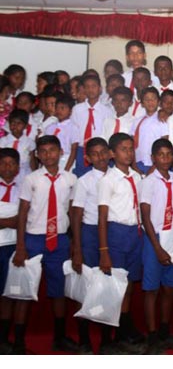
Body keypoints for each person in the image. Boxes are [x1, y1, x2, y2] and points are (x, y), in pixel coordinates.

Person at [12, 135, 78, 355]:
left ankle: (59, 338)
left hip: (59, 239)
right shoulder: (31, 179)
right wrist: (21, 245)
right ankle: (18, 342)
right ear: (38, 155)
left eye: (52, 150)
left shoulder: (70, 179)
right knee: (25, 290)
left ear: (61, 152)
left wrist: (74, 242)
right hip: (33, 239)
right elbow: (22, 213)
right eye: (44, 151)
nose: (48, 155)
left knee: (58, 291)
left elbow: (72, 212)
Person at [139, 138, 173, 354]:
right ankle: (152, 337)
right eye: (161, 155)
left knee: (170, 288)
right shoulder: (148, 182)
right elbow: (145, 216)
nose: (165, 158)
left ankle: (164, 332)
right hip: (155, 239)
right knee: (152, 289)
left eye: (169, 154)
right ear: (153, 158)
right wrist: (157, 248)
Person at [97, 133, 146, 354]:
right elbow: (102, 217)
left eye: (131, 149)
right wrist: (104, 250)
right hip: (116, 234)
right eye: (123, 149)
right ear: (112, 154)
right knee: (113, 287)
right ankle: (106, 339)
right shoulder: (107, 180)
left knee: (128, 285)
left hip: (135, 233)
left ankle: (123, 331)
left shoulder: (137, 177)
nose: (128, 153)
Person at [69, 137, 113, 354]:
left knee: (107, 287)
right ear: (87, 158)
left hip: (112, 234)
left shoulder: (117, 176)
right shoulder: (84, 181)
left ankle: (106, 340)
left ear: (110, 153)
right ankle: (84, 339)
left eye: (103, 152)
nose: (100, 157)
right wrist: (77, 249)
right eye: (94, 154)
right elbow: (76, 215)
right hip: (90, 234)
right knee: (86, 287)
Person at [0, 148, 21, 354]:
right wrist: (11, 220)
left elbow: (22, 220)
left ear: (18, 168)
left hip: (13, 246)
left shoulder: (22, 189)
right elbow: (15, 220)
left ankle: (3, 338)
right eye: (3, 163)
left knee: (8, 293)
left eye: (12, 164)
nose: (7, 167)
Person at [71, 74, 111, 177]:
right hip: (81, 149)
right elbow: (74, 131)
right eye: (87, 87)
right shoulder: (77, 109)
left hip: (99, 151)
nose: (90, 89)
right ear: (84, 89)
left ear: (100, 89)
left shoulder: (107, 111)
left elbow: (107, 131)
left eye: (93, 86)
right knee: (81, 176)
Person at [43, 95, 79, 173]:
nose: (59, 111)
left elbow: (74, 150)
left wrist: (67, 168)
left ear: (70, 111)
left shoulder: (73, 128)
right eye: (57, 108)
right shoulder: (50, 127)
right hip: (50, 159)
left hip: (66, 160)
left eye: (62, 108)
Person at [0, 110, 36, 180]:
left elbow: (32, 161)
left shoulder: (29, 142)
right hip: (7, 171)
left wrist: (34, 176)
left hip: (24, 172)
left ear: (25, 126)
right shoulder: (3, 141)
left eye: (19, 123)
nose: (15, 125)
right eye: (12, 122)